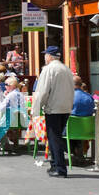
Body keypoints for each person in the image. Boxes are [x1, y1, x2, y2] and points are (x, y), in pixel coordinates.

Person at [30, 47, 74, 177]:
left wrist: (35, 110)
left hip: (53, 108)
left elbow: (43, 91)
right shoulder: (66, 69)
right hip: (65, 107)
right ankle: (54, 164)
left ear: (49, 56)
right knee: (56, 137)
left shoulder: (48, 69)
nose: (44, 57)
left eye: (45, 55)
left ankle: (60, 169)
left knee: (54, 138)